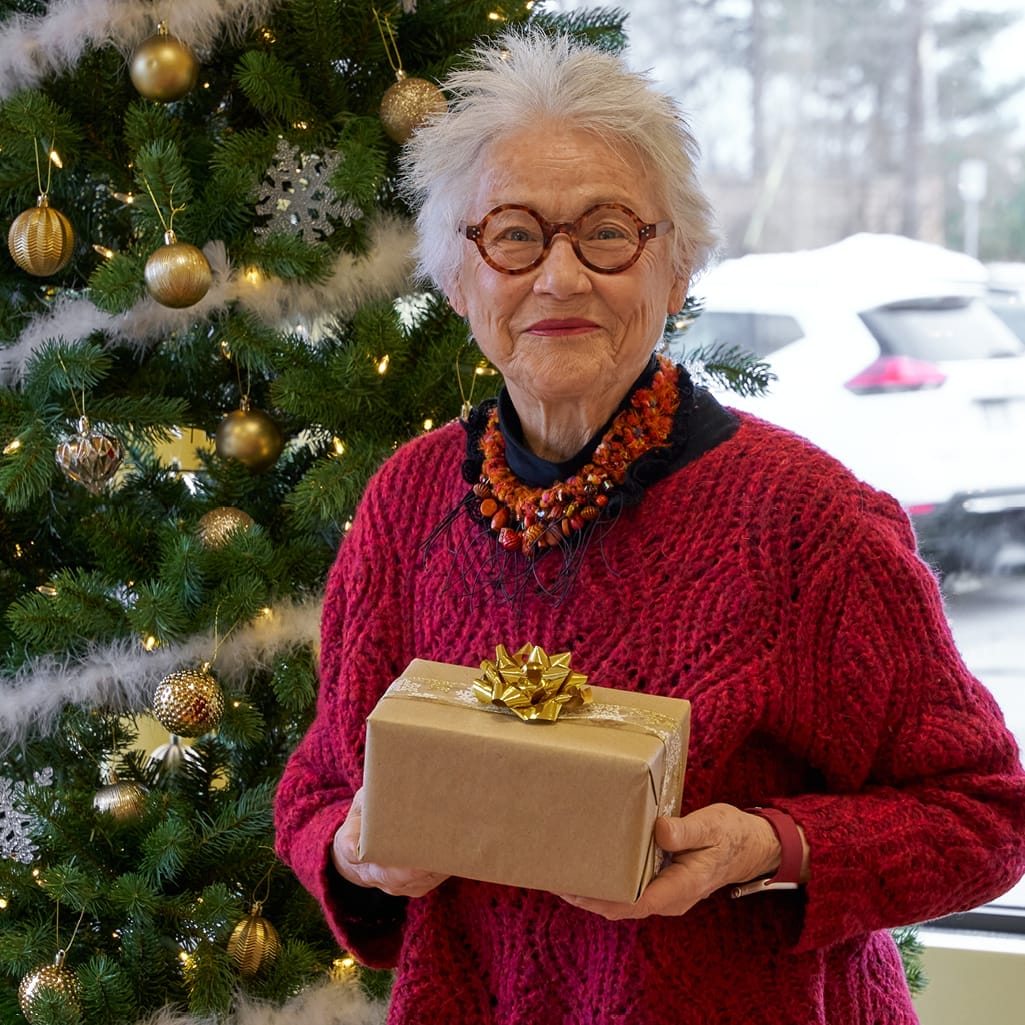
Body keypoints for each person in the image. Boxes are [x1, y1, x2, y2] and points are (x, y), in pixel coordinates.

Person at [274, 29, 1025, 1025]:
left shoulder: (809, 522)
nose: (560, 275)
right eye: (511, 234)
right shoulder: (407, 501)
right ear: (460, 281)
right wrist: (355, 844)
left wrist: (765, 846)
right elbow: (318, 787)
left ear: (673, 272)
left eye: (607, 232)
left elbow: (980, 811)